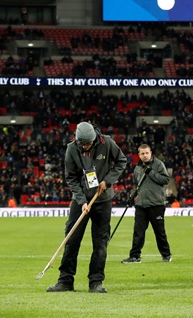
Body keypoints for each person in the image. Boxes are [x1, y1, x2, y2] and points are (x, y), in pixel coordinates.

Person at [46, 121, 127, 294]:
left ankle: (96, 282)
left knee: (100, 242)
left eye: (88, 144)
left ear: (95, 138)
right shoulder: (71, 149)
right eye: (82, 144)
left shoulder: (107, 143)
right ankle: (65, 280)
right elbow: (71, 177)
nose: (85, 147)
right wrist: (82, 200)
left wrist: (108, 181)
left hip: (102, 199)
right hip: (80, 200)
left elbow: (121, 161)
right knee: (71, 239)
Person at [121, 144, 172, 264]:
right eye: (142, 153)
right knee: (138, 232)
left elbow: (165, 180)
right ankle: (134, 256)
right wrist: (131, 197)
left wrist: (151, 172)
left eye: (147, 153)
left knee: (159, 232)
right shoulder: (137, 168)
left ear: (151, 153)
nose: (145, 155)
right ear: (138, 155)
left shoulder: (158, 164)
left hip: (156, 204)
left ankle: (166, 255)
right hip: (141, 204)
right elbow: (136, 186)